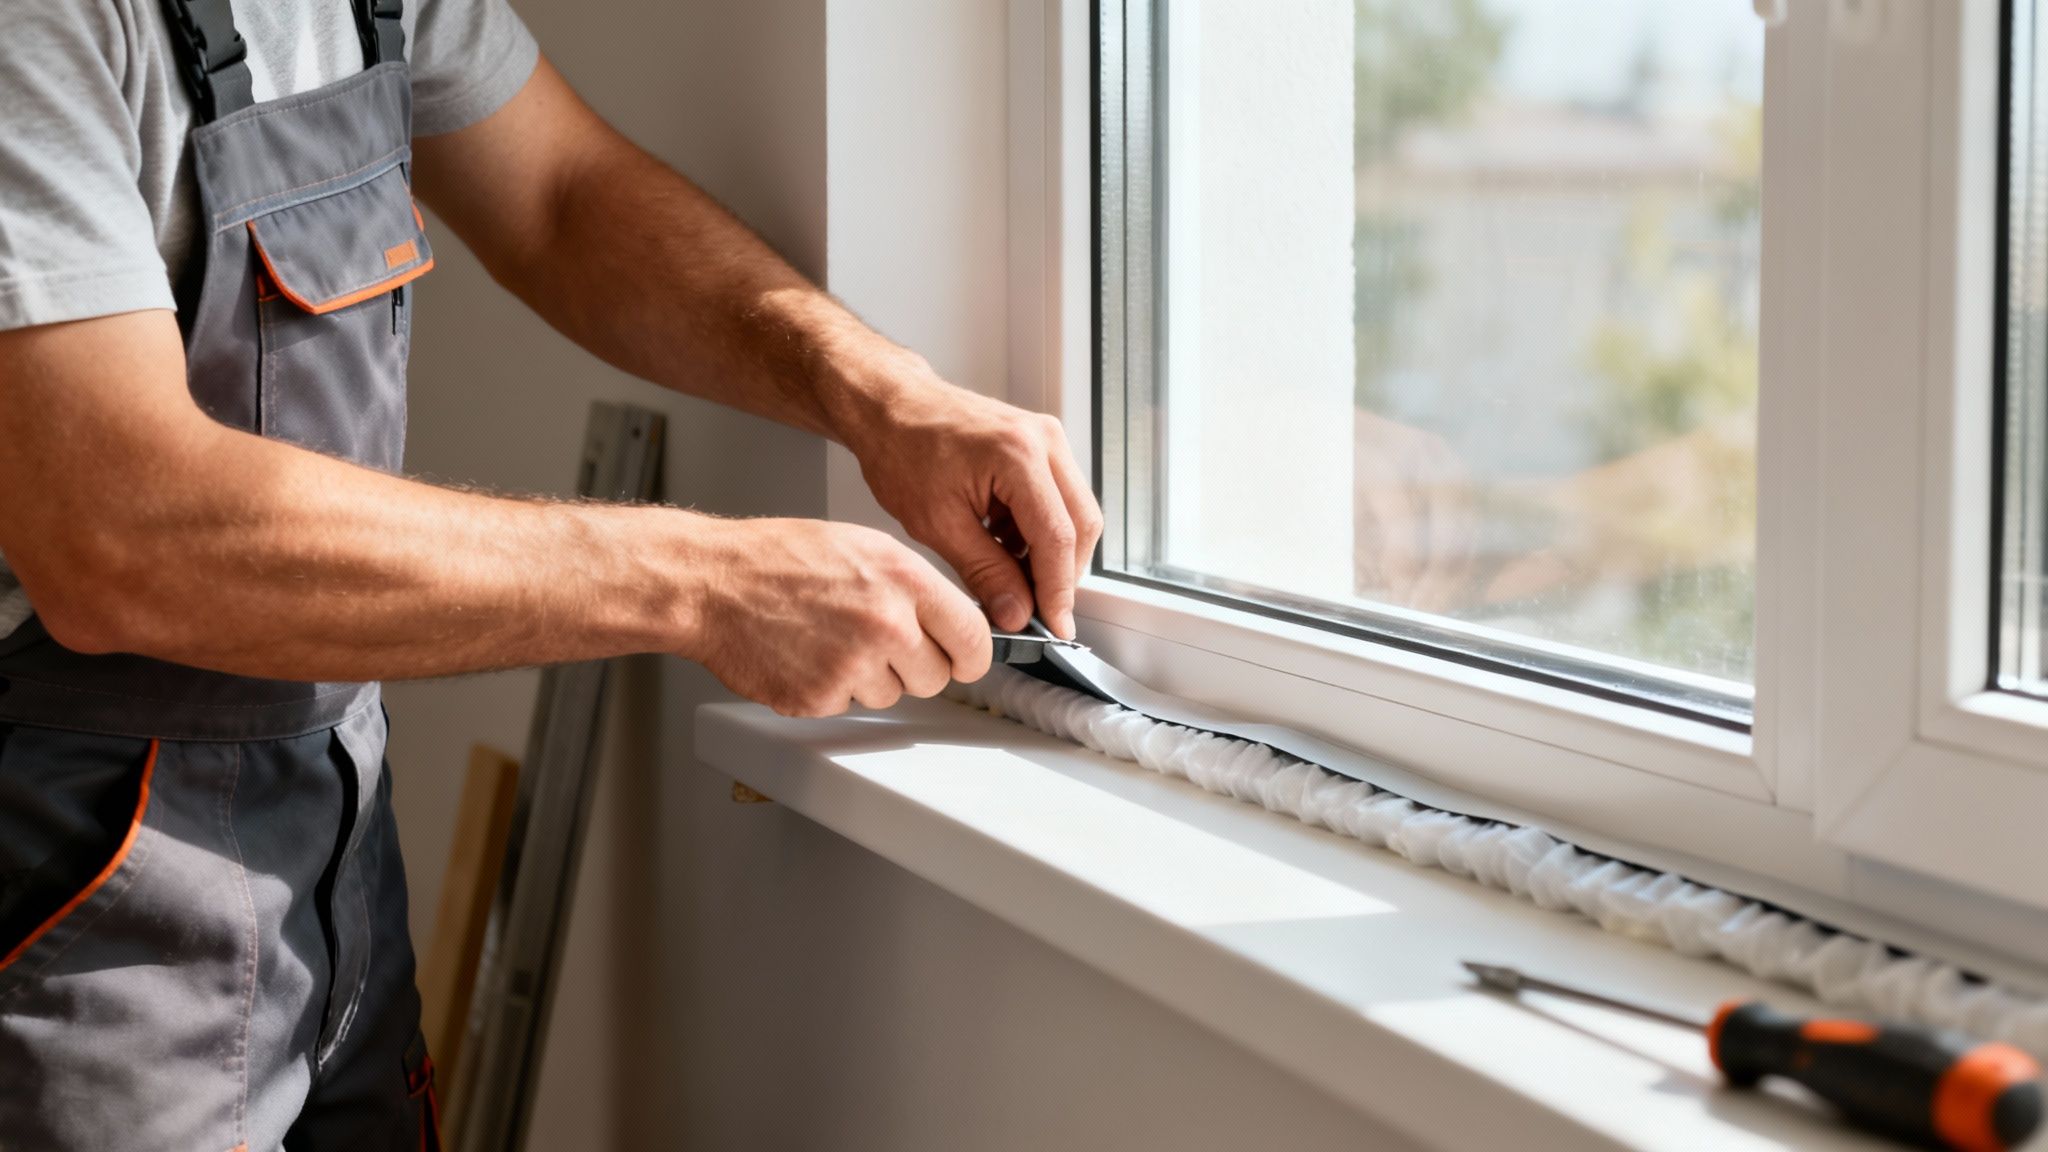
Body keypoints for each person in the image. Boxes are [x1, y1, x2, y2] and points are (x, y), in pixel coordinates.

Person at [0, 1, 1100, 1148]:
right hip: (82, 886)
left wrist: (883, 396)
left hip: (334, 846)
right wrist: (706, 580)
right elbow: (120, 535)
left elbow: (561, 200)